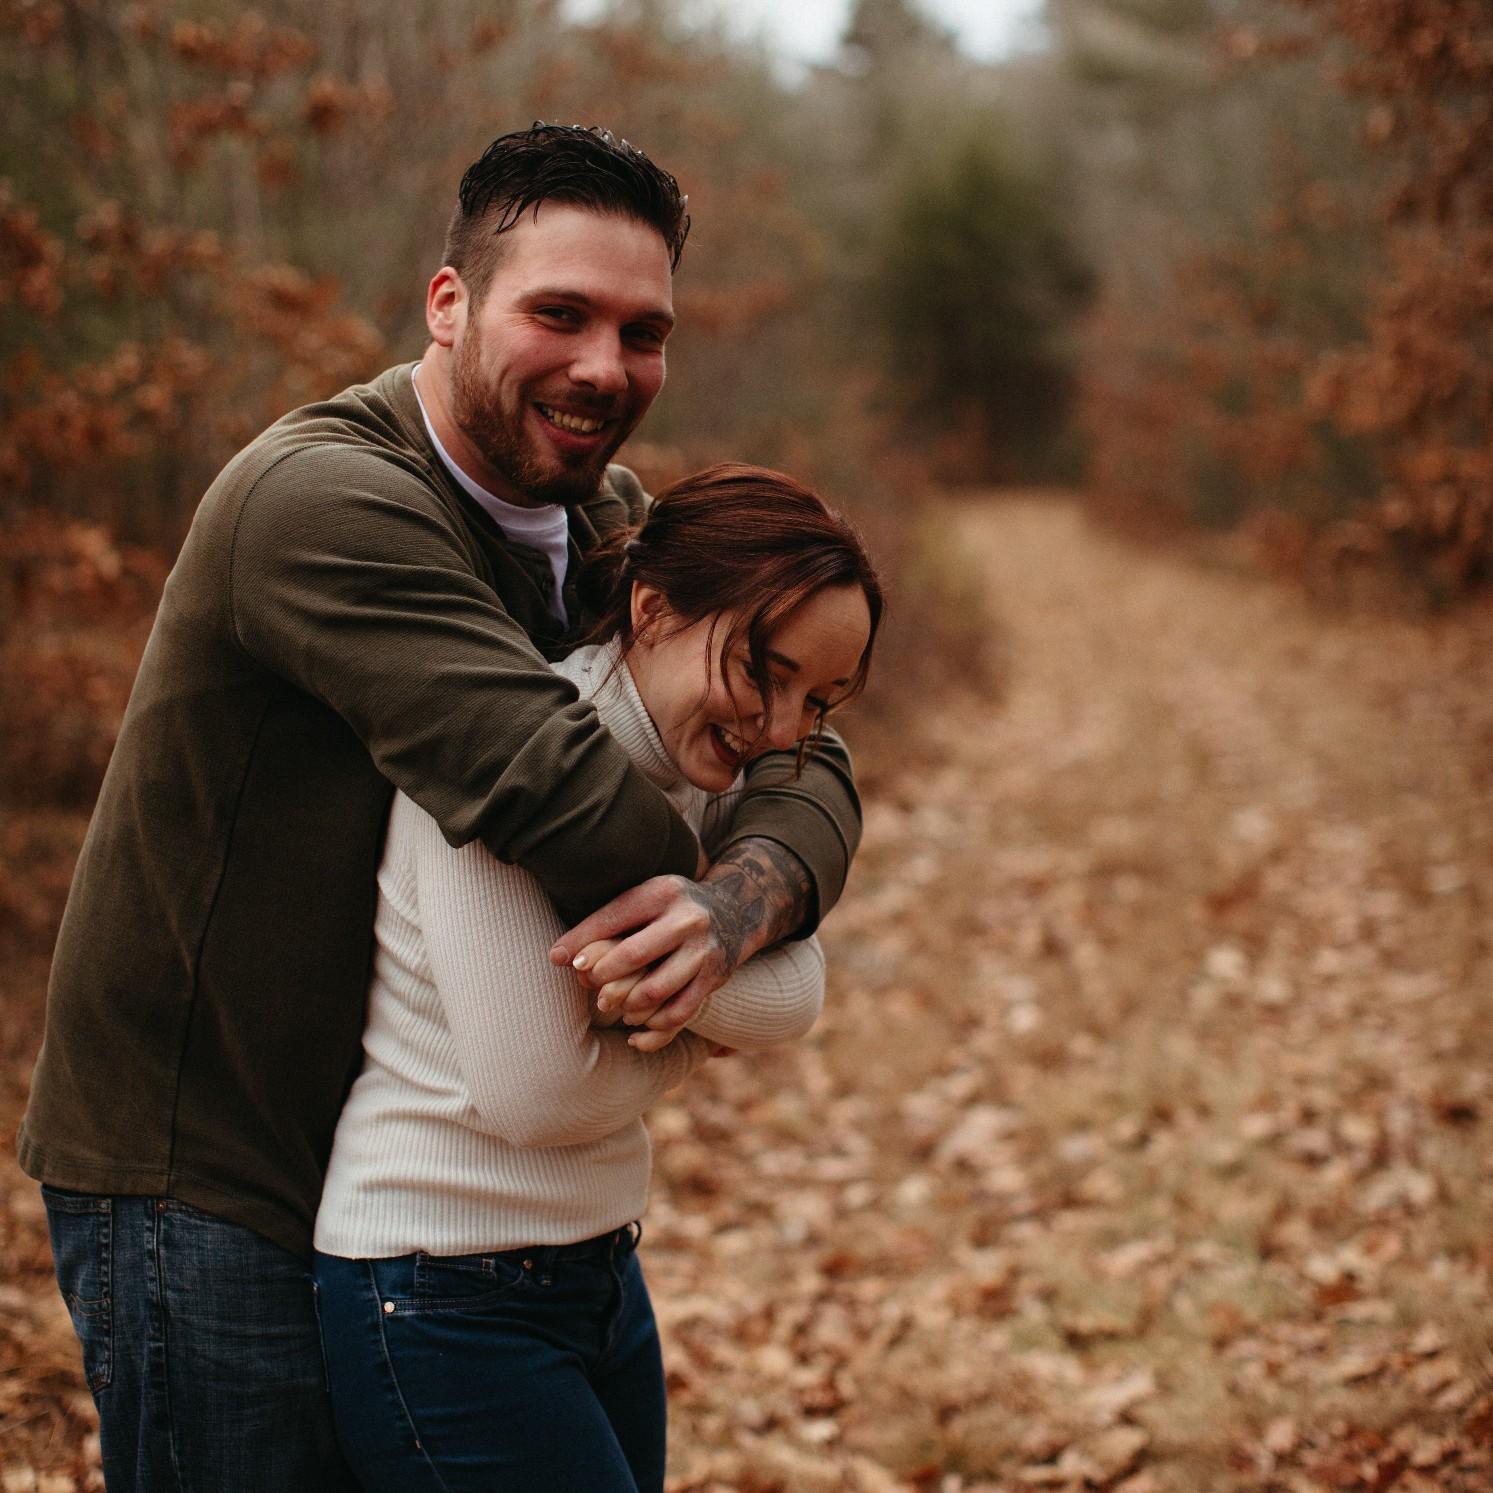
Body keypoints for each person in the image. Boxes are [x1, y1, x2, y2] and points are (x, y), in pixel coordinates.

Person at [18, 125, 862, 1490]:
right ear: (449, 304)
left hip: (406, 1177)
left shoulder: (603, 521)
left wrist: (737, 901)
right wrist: (740, 980)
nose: (604, 366)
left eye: (642, 332)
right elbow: (563, 795)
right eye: (559, 314)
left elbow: (805, 751)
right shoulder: (324, 500)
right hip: (209, 1159)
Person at [313, 464, 884, 1492]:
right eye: (764, 670)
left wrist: (653, 996)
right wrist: (701, 1035)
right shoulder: (506, 759)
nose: (781, 729)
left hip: (598, 1268)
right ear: (653, 609)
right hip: (437, 1286)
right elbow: (539, 1092)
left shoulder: (704, 761)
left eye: (817, 699)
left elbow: (801, 994)